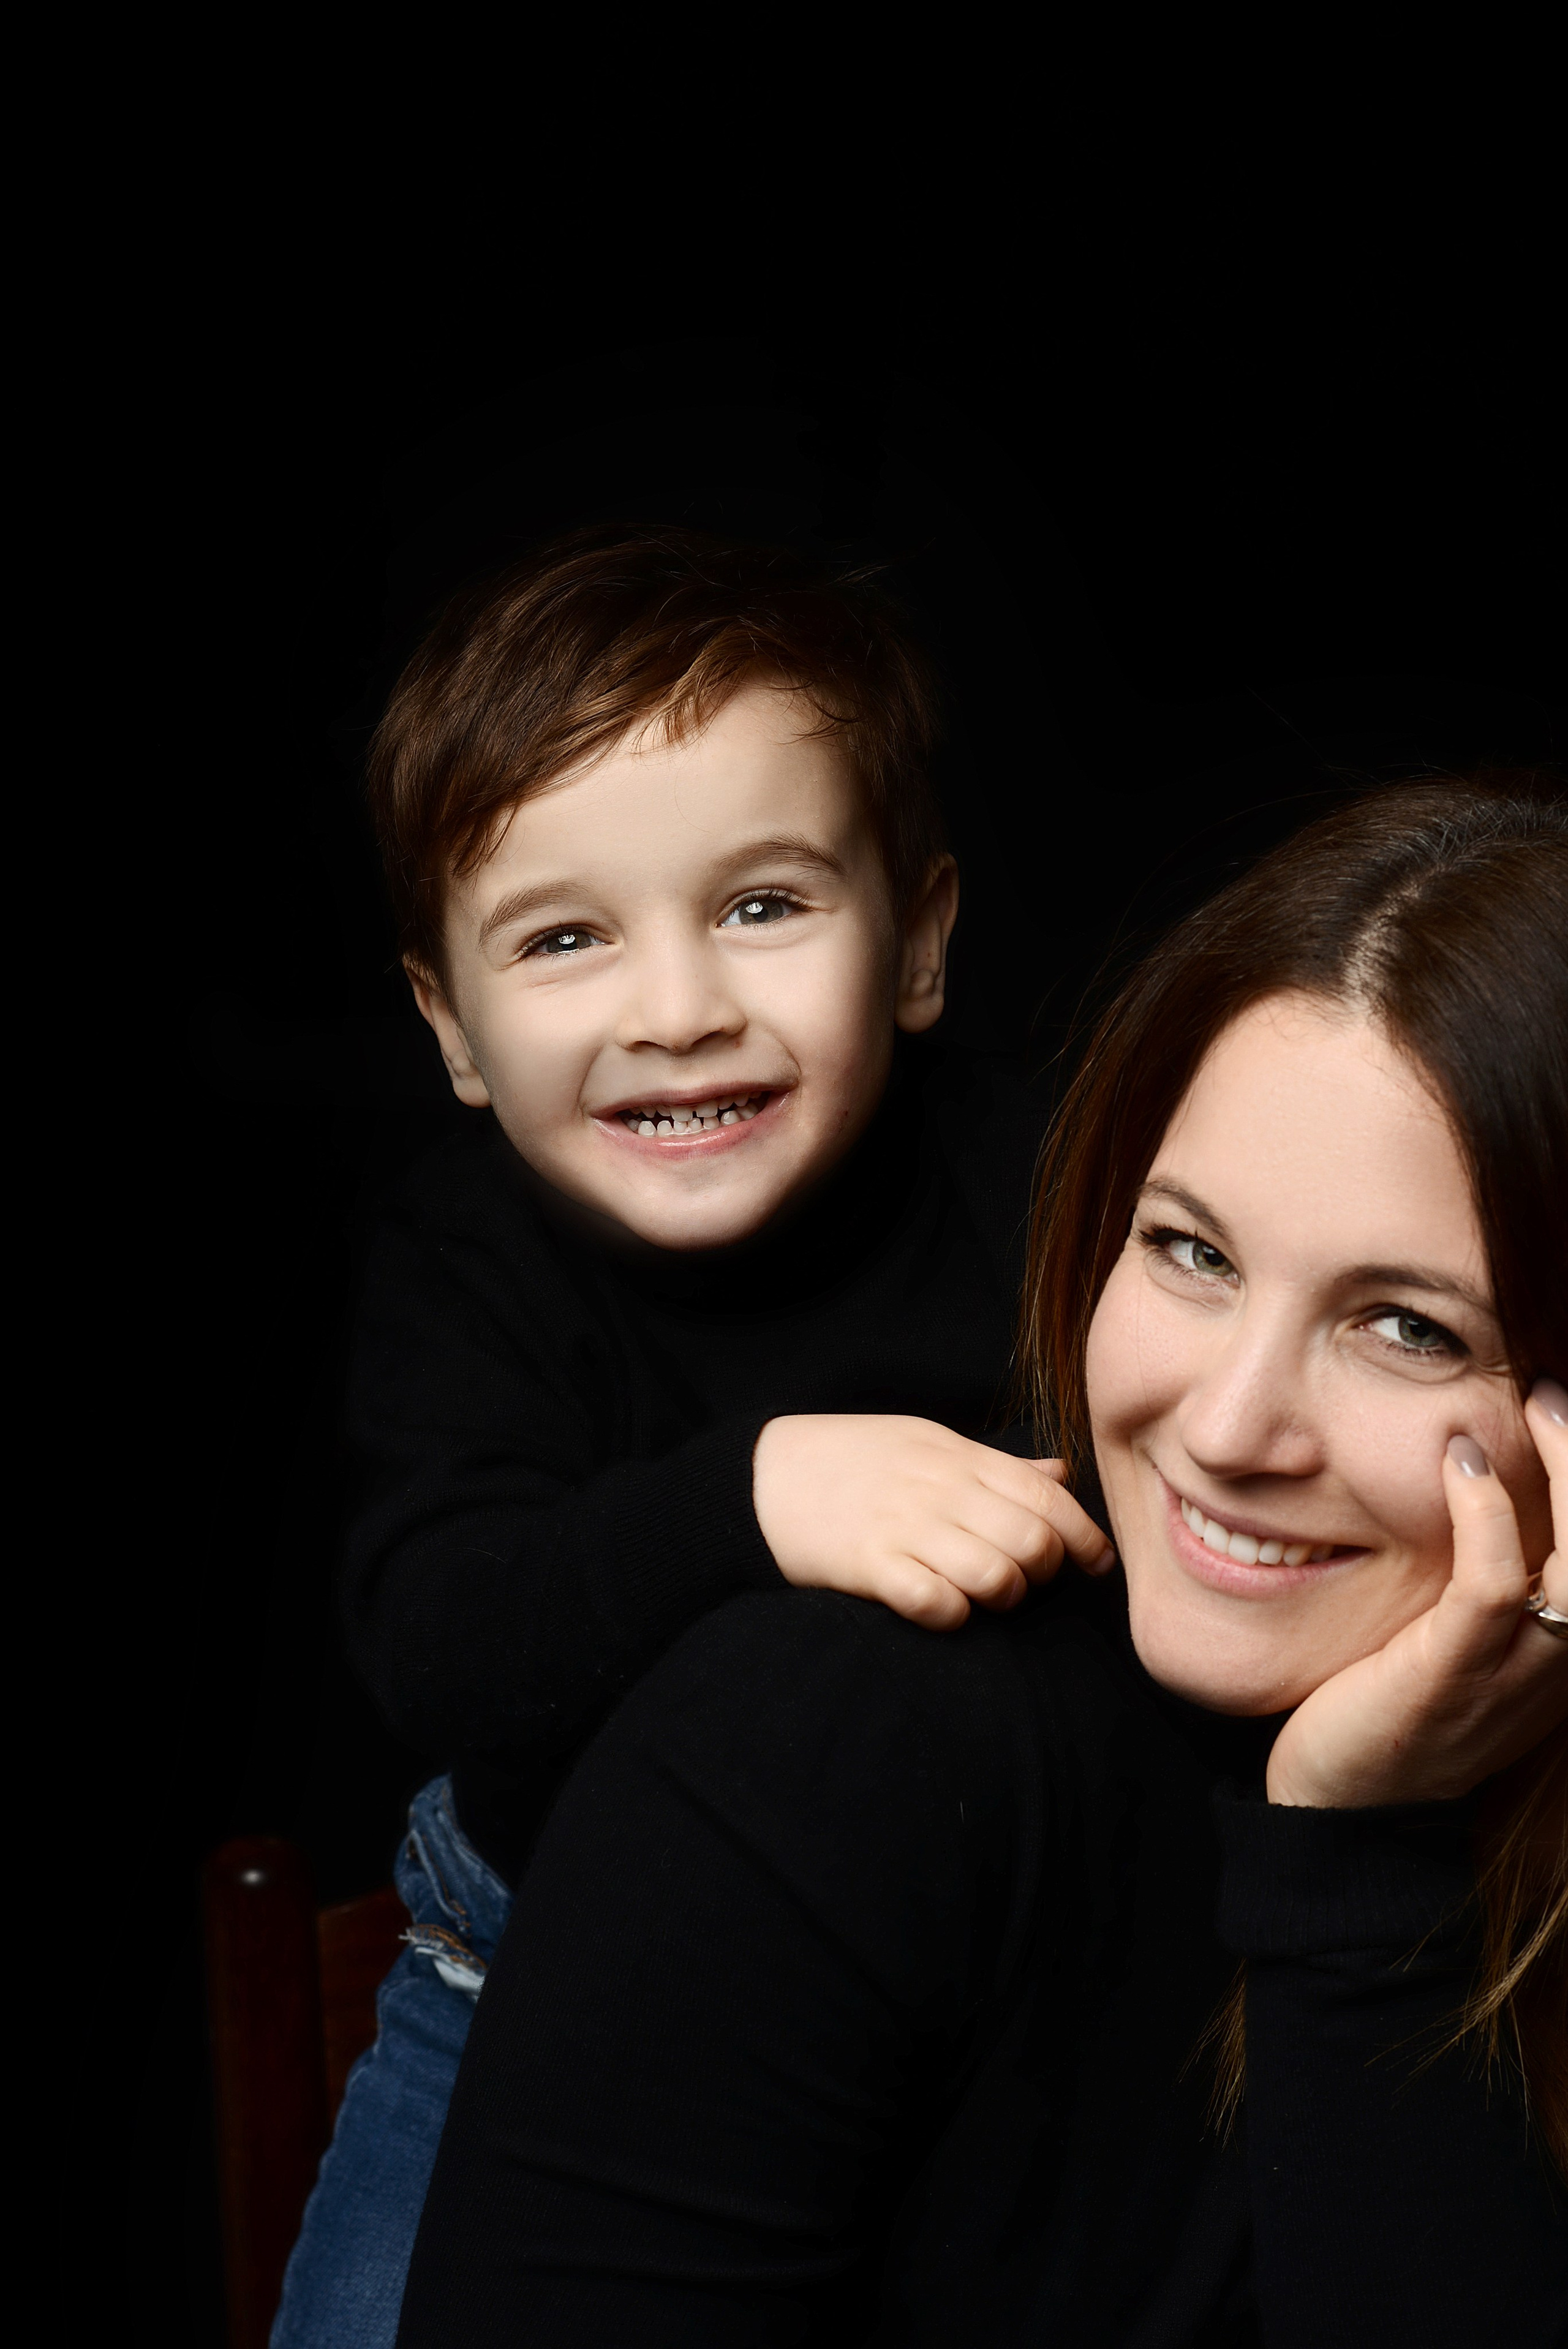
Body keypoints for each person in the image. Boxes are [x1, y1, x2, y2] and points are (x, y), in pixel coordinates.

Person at [395, 779, 1568, 2348]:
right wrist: (1363, 1875)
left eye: (1406, 1327)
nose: (1221, 1429)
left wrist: (1358, 1842)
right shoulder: (825, 1750)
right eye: (1188, 1251)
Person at [271, 530, 1107, 2346]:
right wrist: (757, 1496)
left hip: (970, 1991)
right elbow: (441, 1628)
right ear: (453, 1029)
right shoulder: (469, 1257)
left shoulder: (1041, 1182)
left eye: (762, 904)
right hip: (519, 1978)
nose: (677, 1008)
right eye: (566, 938)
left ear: (923, 940)